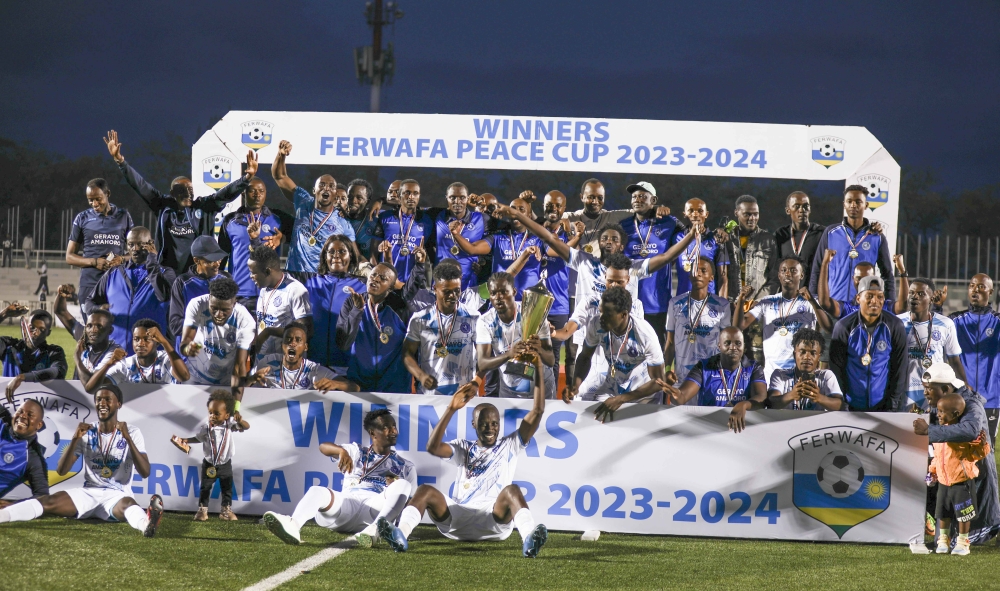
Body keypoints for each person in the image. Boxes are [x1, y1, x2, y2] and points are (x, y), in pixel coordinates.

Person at [377, 375, 548, 558]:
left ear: (499, 425)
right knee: (425, 490)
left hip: (493, 518)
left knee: (512, 490)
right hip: (457, 519)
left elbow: (537, 410)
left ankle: (530, 539)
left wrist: (538, 367)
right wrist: (451, 409)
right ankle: (401, 534)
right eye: (483, 424)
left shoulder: (510, 444)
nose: (490, 428)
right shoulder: (464, 447)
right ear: (474, 424)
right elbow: (433, 447)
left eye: (494, 424)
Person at [0, 384, 163, 537]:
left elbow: (145, 471)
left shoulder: (132, 432)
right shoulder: (87, 431)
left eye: (108, 399)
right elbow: (62, 470)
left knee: (129, 505)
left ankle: (146, 525)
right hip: (89, 493)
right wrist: (75, 439)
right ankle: (2, 516)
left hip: (118, 495)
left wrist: (127, 438)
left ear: (118, 404)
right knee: (48, 501)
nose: (102, 403)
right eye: (99, 399)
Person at [105, 130, 258, 273]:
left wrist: (246, 179)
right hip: (168, 275)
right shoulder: (163, 206)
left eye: (190, 189)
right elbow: (141, 185)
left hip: (198, 274)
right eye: (182, 190)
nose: (188, 193)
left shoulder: (204, 207)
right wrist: (120, 161)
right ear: (173, 193)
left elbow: (225, 194)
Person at [264, 408, 416, 547]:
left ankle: (375, 531)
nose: (393, 431)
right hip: (347, 505)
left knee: (402, 485)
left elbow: (411, 504)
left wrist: (392, 488)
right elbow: (323, 447)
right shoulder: (357, 451)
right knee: (317, 490)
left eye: (394, 426)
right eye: (386, 427)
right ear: (372, 433)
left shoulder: (405, 465)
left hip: (374, 509)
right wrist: (341, 452)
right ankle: (293, 525)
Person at [914, 363, 1000, 545]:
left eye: (929, 389)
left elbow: (970, 430)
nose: (925, 393)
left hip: (972, 476)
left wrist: (928, 431)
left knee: (968, 519)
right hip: (948, 471)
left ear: (945, 389)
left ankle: (989, 527)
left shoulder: (971, 404)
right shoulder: (945, 401)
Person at [567, 287, 666, 411]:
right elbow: (585, 356)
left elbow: (659, 381)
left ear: (624, 314)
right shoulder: (596, 323)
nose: (601, 317)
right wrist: (575, 385)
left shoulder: (645, 334)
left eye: (607, 314)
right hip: (614, 386)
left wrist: (622, 399)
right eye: (600, 311)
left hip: (643, 393)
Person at [734, 258, 832, 383]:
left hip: (801, 373)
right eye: (784, 270)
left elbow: (828, 328)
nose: (788, 274)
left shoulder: (809, 301)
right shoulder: (767, 302)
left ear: (801, 275)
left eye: (793, 270)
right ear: (779, 275)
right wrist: (741, 300)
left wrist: (812, 301)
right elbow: (738, 327)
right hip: (772, 374)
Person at [270, 140, 356, 281]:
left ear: (335, 193)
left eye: (331, 186)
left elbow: (354, 255)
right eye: (322, 185)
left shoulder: (342, 223)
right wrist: (281, 155)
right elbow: (279, 176)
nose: (326, 188)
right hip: (293, 275)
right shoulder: (303, 201)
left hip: (320, 279)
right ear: (314, 190)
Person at [660, 327, 767, 434]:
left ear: (744, 346)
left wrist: (744, 404)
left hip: (742, 431)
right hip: (708, 429)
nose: (733, 347)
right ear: (719, 346)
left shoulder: (753, 368)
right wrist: (677, 396)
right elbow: (682, 397)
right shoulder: (704, 366)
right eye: (727, 343)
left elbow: (761, 398)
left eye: (738, 343)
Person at [88, 227, 176, 355]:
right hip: (115, 355)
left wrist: (152, 262)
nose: (135, 249)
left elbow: (164, 295)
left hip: (151, 356)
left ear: (150, 244)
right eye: (131, 244)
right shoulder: (113, 273)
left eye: (140, 244)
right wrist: (98, 309)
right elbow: (89, 302)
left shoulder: (166, 273)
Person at [829, 276, 908, 411]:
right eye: (870, 296)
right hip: (851, 406)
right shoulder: (843, 326)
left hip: (884, 407)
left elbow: (900, 368)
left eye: (880, 297)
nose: (875, 301)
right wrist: (843, 403)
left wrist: (893, 403)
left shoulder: (895, 325)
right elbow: (836, 369)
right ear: (858, 298)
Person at [170, 389, 250, 521]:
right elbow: (198, 439)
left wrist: (240, 421)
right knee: (205, 487)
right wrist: (185, 440)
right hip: (209, 463)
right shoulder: (206, 428)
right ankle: (202, 510)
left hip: (225, 463)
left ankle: (226, 511)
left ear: (226, 415)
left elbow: (246, 427)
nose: (212, 416)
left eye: (217, 413)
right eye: (210, 413)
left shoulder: (229, 425)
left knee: (227, 488)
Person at [927, 392, 990, 555]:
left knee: (963, 514)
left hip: (961, 481)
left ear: (954, 414)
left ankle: (963, 542)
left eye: (941, 412)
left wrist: (981, 446)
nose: (938, 415)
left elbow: (976, 455)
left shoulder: (963, 434)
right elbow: (938, 456)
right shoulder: (940, 432)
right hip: (943, 481)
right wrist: (932, 471)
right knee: (943, 512)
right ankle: (943, 540)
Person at [403, 262, 480, 396]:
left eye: (457, 290)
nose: (453, 295)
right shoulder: (420, 318)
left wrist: (476, 381)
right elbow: (407, 354)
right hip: (431, 394)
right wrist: (421, 376)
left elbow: (483, 356)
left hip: (464, 394)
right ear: (435, 289)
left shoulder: (474, 317)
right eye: (447, 291)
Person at [809, 185, 895, 304]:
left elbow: (887, 275)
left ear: (866, 205)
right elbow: (817, 269)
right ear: (844, 204)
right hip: (833, 305)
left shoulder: (877, 237)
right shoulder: (831, 233)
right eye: (849, 201)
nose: (853, 205)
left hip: (864, 306)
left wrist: (889, 303)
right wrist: (814, 299)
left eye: (858, 201)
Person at [476, 272, 557, 399]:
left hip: (541, 389)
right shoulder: (485, 321)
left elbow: (551, 360)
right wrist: (509, 354)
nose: (498, 297)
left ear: (514, 292)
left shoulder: (534, 314)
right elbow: (482, 364)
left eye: (503, 292)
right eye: (493, 293)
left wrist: (539, 349)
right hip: (509, 391)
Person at [621, 181, 682, 347]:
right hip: (629, 303)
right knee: (628, 353)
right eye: (634, 196)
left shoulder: (669, 223)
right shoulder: (623, 225)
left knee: (656, 353)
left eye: (642, 196)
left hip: (658, 303)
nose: (637, 199)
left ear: (653, 200)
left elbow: (689, 238)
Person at [218, 177, 292, 310]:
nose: (257, 195)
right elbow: (221, 256)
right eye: (252, 191)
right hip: (239, 293)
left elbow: (303, 236)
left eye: (261, 191)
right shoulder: (229, 221)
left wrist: (283, 238)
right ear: (243, 193)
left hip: (271, 292)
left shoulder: (278, 218)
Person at [336, 263, 412, 393]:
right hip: (359, 383)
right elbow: (343, 344)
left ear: (392, 286)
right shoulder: (351, 302)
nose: (375, 279)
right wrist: (357, 310)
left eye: (383, 278)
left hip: (394, 385)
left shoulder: (401, 308)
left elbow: (414, 347)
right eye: (373, 275)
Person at [662, 257, 732, 393]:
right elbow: (670, 342)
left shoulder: (722, 305)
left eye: (703, 270)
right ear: (689, 274)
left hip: (711, 375)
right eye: (695, 270)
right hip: (682, 376)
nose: (698, 273)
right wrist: (667, 369)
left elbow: (726, 345)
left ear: (711, 278)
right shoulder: (675, 303)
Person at [452, 197, 544, 299]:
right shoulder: (497, 237)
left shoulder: (538, 240)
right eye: (513, 209)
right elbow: (472, 248)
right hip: (499, 301)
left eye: (521, 209)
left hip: (528, 303)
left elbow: (557, 249)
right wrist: (456, 234)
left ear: (529, 215)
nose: (516, 212)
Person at [65, 178, 132, 316]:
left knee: (116, 331)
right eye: (90, 200)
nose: (94, 204)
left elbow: (134, 253)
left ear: (107, 193)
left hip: (116, 283)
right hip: (89, 284)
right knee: (92, 332)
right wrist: (94, 262)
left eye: (98, 198)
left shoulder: (123, 216)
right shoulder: (82, 218)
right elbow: (69, 257)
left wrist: (121, 259)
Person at [897, 278, 965, 409]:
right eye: (911, 293)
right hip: (903, 393)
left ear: (931, 298)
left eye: (921, 294)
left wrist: (964, 388)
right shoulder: (897, 323)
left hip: (935, 393)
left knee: (932, 429)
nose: (914, 297)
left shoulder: (946, 324)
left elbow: (955, 361)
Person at [180, 277, 255, 393]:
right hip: (194, 377)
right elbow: (185, 342)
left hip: (225, 382)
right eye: (214, 308)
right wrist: (187, 348)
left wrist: (236, 406)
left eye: (225, 310)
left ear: (234, 303)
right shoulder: (196, 305)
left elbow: (239, 366)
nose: (218, 314)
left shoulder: (246, 321)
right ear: (209, 298)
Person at [949, 274, 1000, 444]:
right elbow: (935, 329)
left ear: (990, 292)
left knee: (986, 447)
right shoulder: (955, 320)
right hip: (962, 397)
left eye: (981, 287)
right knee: (960, 447)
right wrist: (936, 307)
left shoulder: (998, 322)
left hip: (991, 397)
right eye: (972, 286)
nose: (975, 290)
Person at [305, 236, 366, 373]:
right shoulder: (310, 282)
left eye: (342, 251)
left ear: (351, 255)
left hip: (347, 365)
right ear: (324, 256)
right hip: (312, 364)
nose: (336, 256)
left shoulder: (363, 285)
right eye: (331, 251)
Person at [82, 319, 189, 390]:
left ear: (157, 342)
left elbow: (184, 376)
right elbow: (91, 388)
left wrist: (165, 342)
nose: (140, 343)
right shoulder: (126, 364)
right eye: (136, 339)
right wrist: (109, 364)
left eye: (146, 339)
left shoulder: (166, 359)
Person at [248, 245, 312, 362]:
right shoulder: (264, 288)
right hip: (263, 363)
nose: (250, 276)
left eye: (253, 272)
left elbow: (304, 330)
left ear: (267, 271)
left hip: (286, 365)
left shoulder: (296, 290)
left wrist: (269, 332)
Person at [248, 323, 351, 391]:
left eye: (298, 340)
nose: (292, 343)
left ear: (305, 347)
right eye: (288, 339)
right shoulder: (266, 363)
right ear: (282, 344)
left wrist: (336, 384)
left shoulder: (314, 370)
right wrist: (252, 379)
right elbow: (243, 385)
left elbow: (355, 387)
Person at [169, 236, 230, 347]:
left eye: (218, 259)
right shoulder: (182, 283)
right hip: (190, 356)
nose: (217, 264)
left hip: (218, 355)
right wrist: (206, 323)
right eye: (211, 261)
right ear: (196, 260)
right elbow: (175, 325)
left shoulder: (226, 279)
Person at [372, 179, 435, 285]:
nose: (411, 197)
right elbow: (373, 253)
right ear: (399, 195)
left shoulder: (427, 221)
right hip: (386, 281)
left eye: (415, 193)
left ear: (419, 196)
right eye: (407, 193)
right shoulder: (385, 217)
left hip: (412, 283)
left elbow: (430, 253)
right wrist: (376, 276)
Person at [767, 328, 844, 411]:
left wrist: (818, 397)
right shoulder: (780, 375)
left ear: (819, 356)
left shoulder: (826, 376)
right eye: (802, 352)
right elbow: (770, 404)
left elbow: (839, 405)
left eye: (813, 353)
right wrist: (792, 395)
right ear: (794, 354)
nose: (807, 357)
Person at [0, 307, 67, 400]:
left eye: (42, 329)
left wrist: (22, 377)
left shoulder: (54, 352)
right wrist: (4, 314)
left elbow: (57, 372)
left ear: (48, 332)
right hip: (9, 407)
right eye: (32, 327)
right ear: (25, 326)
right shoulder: (9, 346)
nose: (35, 332)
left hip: (38, 409)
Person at [722, 195, 779, 303]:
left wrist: (758, 302)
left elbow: (775, 278)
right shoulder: (727, 239)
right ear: (736, 213)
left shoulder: (768, 240)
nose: (752, 218)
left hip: (758, 307)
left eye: (755, 214)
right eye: (747, 214)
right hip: (730, 304)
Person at [817, 250, 904, 318]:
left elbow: (903, 306)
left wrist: (902, 272)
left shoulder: (883, 306)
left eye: (866, 278)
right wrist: (825, 264)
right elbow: (824, 302)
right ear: (853, 279)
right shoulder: (847, 308)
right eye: (858, 278)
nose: (862, 282)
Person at [674, 198, 730, 296]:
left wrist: (723, 306)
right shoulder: (676, 238)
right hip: (682, 301)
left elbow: (723, 278)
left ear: (706, 214)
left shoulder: (717, 240)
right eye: (691, 211)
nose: (695, 214)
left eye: (700, 211)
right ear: (684, 214)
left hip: (708, 301)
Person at [436, 182, 485, 290]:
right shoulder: (437, 216)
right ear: (446, 198)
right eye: (452, 197)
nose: (457, 202)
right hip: (442, 284)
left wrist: (482, 204)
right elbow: (408, 207)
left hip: (469, 285)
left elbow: (510, 222)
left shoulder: (480, 219)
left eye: (462, 198)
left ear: (468, 199)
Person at [0, 400, 49, 503]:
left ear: (39, 425)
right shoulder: (2, 421)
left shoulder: (33, 457)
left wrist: (13, 504)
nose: (22, 416)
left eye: (30, 415)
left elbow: (43, 496)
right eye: (20, 411)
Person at [773, 191, 826, 284]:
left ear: (810, 209)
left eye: (806, 206)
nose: (801, 210)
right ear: (788, 210)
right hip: (786, 293)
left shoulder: (821, 233)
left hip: (812, 294)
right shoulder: (780, 234)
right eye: (796, 206)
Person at [72, 309, 121, 383]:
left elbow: (90, 384)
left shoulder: (115, 352)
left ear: (110, 330)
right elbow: (75, 382)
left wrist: (77, 358)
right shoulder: (85, 351)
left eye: (99, 326)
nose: (93, 330)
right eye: (89, 326)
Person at [343, 178, 379, 260]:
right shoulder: (338, 217)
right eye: (350, 197)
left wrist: (381, 201)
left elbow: (401, 204)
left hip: (367, 269)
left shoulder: (375, 217)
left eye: (359, 198)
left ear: (367, 201)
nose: (353, 201)